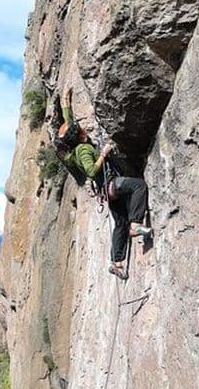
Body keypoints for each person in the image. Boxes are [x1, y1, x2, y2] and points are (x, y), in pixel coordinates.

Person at [55, 87, 152, 280]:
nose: (82, 127)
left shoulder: (75, 147)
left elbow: (69, 125)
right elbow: (91, 170)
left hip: (105, 191)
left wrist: (66, 102)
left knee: (120, 223)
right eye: (80, 128)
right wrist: (103, 153)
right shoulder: (83, 149)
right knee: (138, 186)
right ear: (79, 135)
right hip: (111, 184)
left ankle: (116, 264)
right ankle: (136, 224)